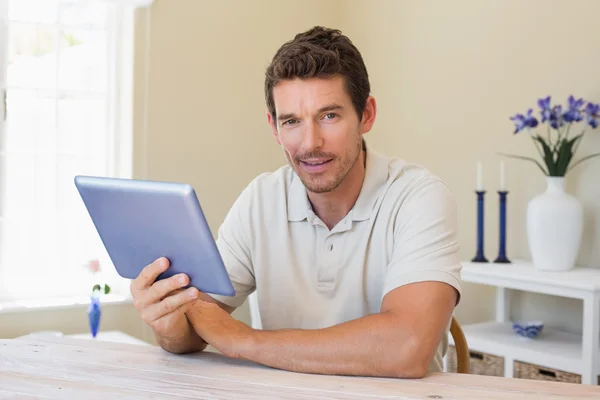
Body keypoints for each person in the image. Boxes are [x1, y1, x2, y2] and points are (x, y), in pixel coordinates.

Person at [130, 26, 462, 379]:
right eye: (292, 121)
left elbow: (406, 348)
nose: (310, 143)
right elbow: (197, 327)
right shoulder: (260, 199)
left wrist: (246, 341)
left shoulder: (418, 197)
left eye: (329, 115)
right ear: (274, 127)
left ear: (366, 114)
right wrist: (168, 324)